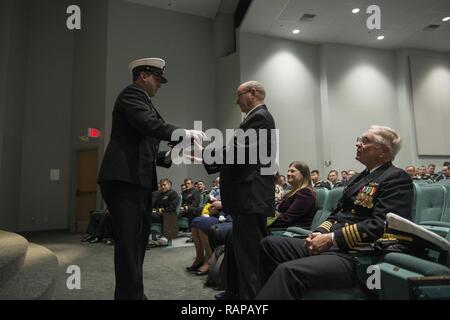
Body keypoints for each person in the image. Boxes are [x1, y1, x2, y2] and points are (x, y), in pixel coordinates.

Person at [255, 125, 413, 300]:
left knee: (288, 271)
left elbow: (381, 225)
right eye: (359, 140)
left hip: (358, 254)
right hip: (335, 245)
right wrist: (319, 233)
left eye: (365, 141)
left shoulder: (396, 178)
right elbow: (337, 214)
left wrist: (330, 239)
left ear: (383, 151)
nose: (358, 144)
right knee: (269, 244)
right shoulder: (357, 178)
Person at [97, 57, 205, 300]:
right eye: (157, 79)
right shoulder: (132, 94)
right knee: (128, 244)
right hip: (124, 180)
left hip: (135, 180)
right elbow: (151, 125)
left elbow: (144, 148)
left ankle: (134, 295)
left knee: (136, 242)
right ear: (143, 75)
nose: (159, 84)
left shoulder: (141, 101)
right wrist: (183, 133)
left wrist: (174, 155)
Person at [203, 80, 276, 300]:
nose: (236, 101)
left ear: (252, 93)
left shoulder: (260, 118)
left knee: (251, 255)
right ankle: (235, 291)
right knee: (237, 245)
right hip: (245, 197)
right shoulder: (255, 119)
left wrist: (204, 154)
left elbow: (238, 152)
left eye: (238, 95)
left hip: (251, 196)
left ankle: (251, 299)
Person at [269, 162, 317, 230]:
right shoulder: (292, 193)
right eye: (288, 171)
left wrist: (265, 221)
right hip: (283, 226)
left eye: (292, 171)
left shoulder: (306, 193)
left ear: (303, 174)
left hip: (292, 231)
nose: (288, 174)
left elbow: (287, 219)